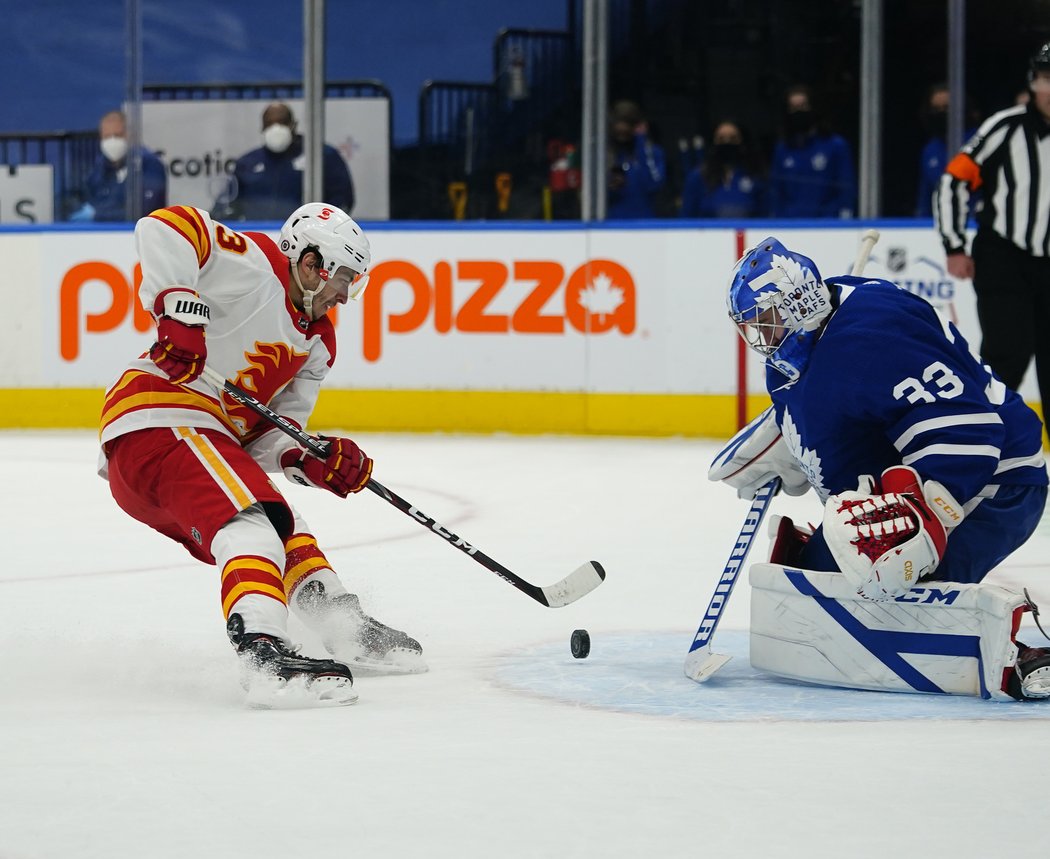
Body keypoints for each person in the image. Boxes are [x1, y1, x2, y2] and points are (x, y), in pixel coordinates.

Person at [97, 201, 425, 707]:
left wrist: (314, 458)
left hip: (205, 437)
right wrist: (177, 308)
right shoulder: (256, 263)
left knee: (283, 522)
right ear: (310, 262)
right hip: (159, 419)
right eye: (341, 277)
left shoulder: (317, 344)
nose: (344, 292)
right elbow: (164, 225)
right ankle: (263, 650)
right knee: (250, 521)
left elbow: (272, 434)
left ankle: (342, 624)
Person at [710, 237, 1049, 699]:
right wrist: (792, 434)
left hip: (995, 482)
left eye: (766, 322)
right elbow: (842, 399)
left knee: (895, 577)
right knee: (823, 575)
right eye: (751, 327)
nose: (759, 339)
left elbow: (967, 429)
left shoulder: (873, 336)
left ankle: (1021, 657)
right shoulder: (798, 351)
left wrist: (921, 515)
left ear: (798, 304)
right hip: (920, 476)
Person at [935, 42, 1050, 440]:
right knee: (1006, 355)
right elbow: (954, 180)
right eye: (1047, 78)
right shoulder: (1006, 127)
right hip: (1005, 257)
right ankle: (980, 445)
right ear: (1034, 82)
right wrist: (953, 244)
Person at [215, 102, 354, 221]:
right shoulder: (247, 163)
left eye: (282, 122)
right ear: (262, 128)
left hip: (307, 240)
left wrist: (323, 228)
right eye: (269, 124)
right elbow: (226, 206)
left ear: (293, 125)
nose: (276, 128)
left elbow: (342, 200)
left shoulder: (321, 156)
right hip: (259, 239)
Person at [768, 85, 856, 219]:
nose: (798, 112)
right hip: (789, 224)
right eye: (793, 108)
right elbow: (776, 192)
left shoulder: (835, 145)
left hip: (828, 223)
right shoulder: (782, 149)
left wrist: (843, 219)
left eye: (803, 106)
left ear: (813, 108)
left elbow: (845, 188)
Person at [70, 110, 167, 222]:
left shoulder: (149, 165)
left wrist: (98, 215)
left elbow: (145, 210)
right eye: (107, 137)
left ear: (129, 135)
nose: (112, 141)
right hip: (106, 235)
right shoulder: (100, 167)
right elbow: (89, 198)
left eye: (118, 135)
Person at [914, 83, 979, 218]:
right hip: (939, 223)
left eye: (947, 108)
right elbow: (925, 196)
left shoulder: (979, 142)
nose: (942, 114)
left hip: (976, 222)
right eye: (936, 109)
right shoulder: (930, 150)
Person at [679, 119, 766, 219]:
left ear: (742, 143)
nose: (727, 143)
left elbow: (766, 218)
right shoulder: (697, 177)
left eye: (733, 138)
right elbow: (686, 218)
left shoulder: (755, 177)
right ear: (713, 143)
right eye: (721, 139)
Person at [606, 99, 667, 219]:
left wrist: (641, 142)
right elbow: (593, 197)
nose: (622, 133)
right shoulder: (607, 155)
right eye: (618, 129)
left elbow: (654, 184)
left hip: (645, 224)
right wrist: (611, 187)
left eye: (626, 128)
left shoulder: (652, 152)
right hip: (612, 225)